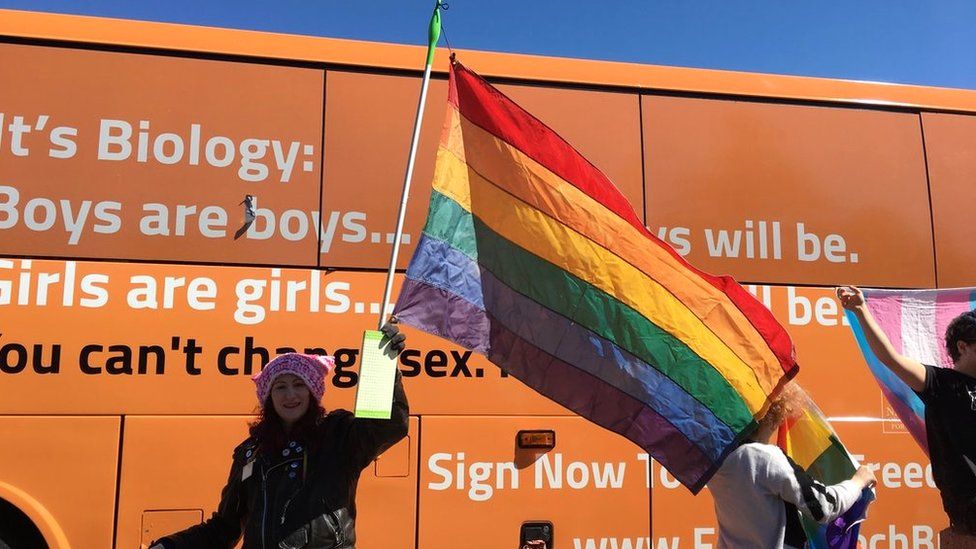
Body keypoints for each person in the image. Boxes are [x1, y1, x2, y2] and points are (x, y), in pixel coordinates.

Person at [150, 322, 408, 549]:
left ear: (312, 392)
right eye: (280, 387)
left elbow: (389, 426)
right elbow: (224, 528)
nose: (290, 395)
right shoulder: (251, 452)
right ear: (269, 398)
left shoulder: (338, 435)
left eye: (299, 385)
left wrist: (384, 368)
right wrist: (170, 546)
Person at [838, 285, 976, 542]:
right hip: (969, 506)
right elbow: (890, 359)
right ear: (963, 346)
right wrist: (860, 310)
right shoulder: (939, 382)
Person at [708, 383, 877, 548]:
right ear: (774, 412)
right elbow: (824, 506)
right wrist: (858, 481)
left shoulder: (719, 463)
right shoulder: (765, 458)